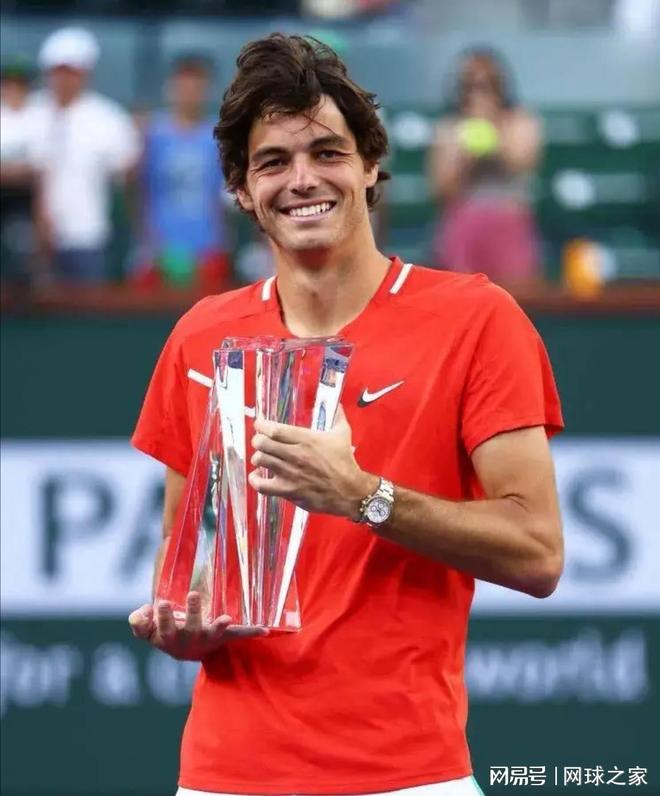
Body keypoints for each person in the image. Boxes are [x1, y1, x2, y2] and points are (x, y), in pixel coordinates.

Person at [130, 34, 564, 796]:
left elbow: (537, 552)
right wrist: (186, 625)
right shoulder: (200, 336)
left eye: (327, 152)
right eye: (272, 162)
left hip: (409, 774)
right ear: (241, 189)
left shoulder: (477, 318)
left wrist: (363, 496)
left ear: (370, 167)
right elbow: (186, 559)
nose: (302, 179)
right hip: (225, 775)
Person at [28, 27, 139, 283]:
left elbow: (129, 170)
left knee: (87, 301)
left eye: (71, 72)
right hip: (31, 241)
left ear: (85, 73)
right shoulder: (30, 111)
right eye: (58, 71)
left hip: (86, 238)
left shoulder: (108, 118)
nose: (64, 79)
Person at [429, 46, 543, 289]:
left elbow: (522, 162)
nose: (478, 93)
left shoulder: (520, 120)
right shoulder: (448, 127)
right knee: (462, 300)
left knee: (515, 299)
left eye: (487, 85)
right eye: (470, 85)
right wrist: (466, 158)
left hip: (509, 221)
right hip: (464, 223)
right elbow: (441, 191)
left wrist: (491, 128)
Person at [133, 53, 231, 293]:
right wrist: (147, 238)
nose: (189, 93)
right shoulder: (151, 133)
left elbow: (224, 194)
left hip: (207, 247)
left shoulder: (218, 136)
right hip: (159, 247)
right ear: (171, 88)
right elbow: (136, 188)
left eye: (196, 86)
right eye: (183, 86)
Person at [0, 59, 37, 287]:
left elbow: (37, 168)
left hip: (24, 205)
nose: (13, 90)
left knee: (20, 259)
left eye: (19, 85)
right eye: (9, 84)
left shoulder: (38, 117)